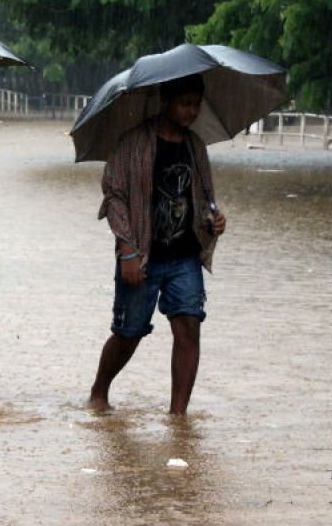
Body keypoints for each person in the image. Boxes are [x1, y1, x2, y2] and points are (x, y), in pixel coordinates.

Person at [88, 74, 227, 416]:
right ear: (165, 101)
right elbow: (115, 197)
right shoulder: (133, 144)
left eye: (196, 104)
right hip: (143, 255)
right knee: (128, 333)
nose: (191, 111)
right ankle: (99, 391)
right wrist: (127, 250)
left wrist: (215, 220)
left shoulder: (195, 147)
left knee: (189, 327)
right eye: (185, 104)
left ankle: (178, 416)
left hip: (184, 256)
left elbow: (204, 198)